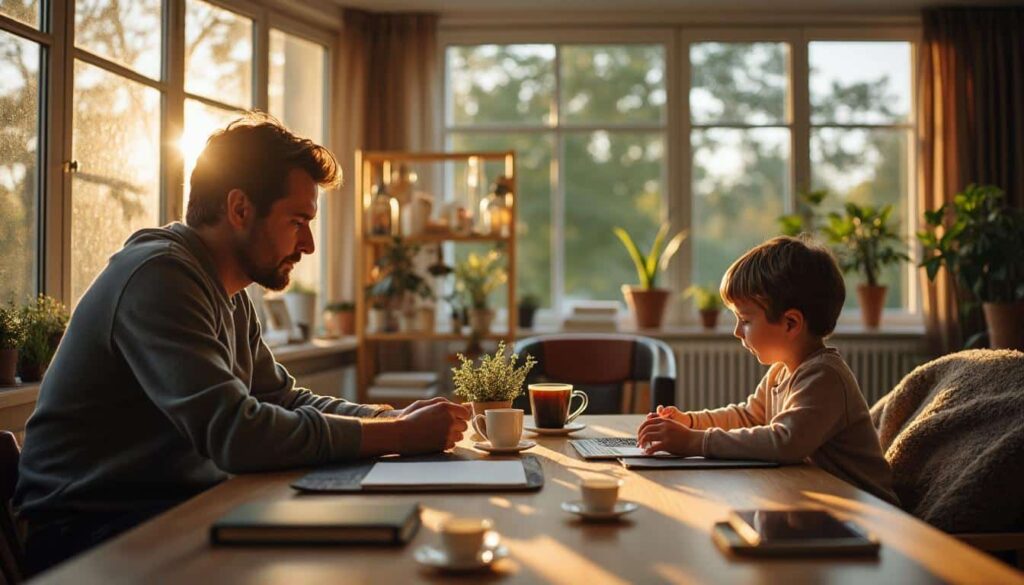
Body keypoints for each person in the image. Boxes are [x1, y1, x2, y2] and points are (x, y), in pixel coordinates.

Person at [14, 114, 470, 572]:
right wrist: (397, 435)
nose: (309, 244)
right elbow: (238, 433)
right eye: (298, 221)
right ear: (239, 209)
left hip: (168, 512)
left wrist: (387, 417)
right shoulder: (159, 278)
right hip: (87, 538)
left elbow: (283, 398)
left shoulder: (227, 292)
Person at [637, 236, 898, 505]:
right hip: (823, 502)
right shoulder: (781, 371)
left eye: (745, 320)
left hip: (868, 510)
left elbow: (785, 442)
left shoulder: (825, 376)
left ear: (790, 323)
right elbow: (749, 417)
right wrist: (690, 421)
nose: (737, 332)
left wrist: (695, 442)